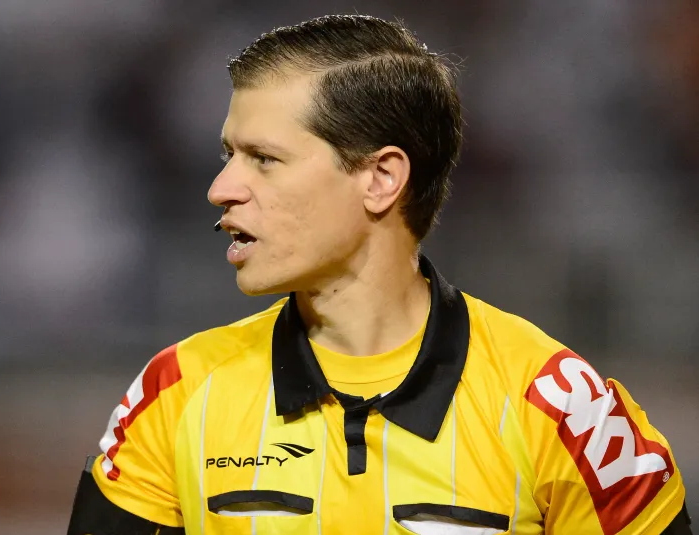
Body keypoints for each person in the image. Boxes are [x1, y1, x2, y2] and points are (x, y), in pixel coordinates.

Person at [67, 14, 692, 535]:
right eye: (230, 154)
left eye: (264, 158)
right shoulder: (174, 393)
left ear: (381, 179)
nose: (221, 188)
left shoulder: (561, 408)